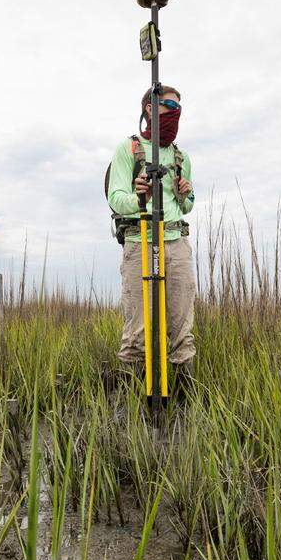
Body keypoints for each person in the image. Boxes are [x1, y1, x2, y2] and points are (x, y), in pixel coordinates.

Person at [106, 85, 196, 385]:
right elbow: (115, 198)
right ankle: (133, 404)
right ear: (149, 107)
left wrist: (185, 194)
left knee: (181, 328)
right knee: (137, 331)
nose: (176, 111)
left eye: (179, 106)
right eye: (170, 104)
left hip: (176, 242)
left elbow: (188, 205)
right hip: (139, 240)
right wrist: (138, 196)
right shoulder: (128, 149)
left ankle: (184, 400)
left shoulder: (181, 156)